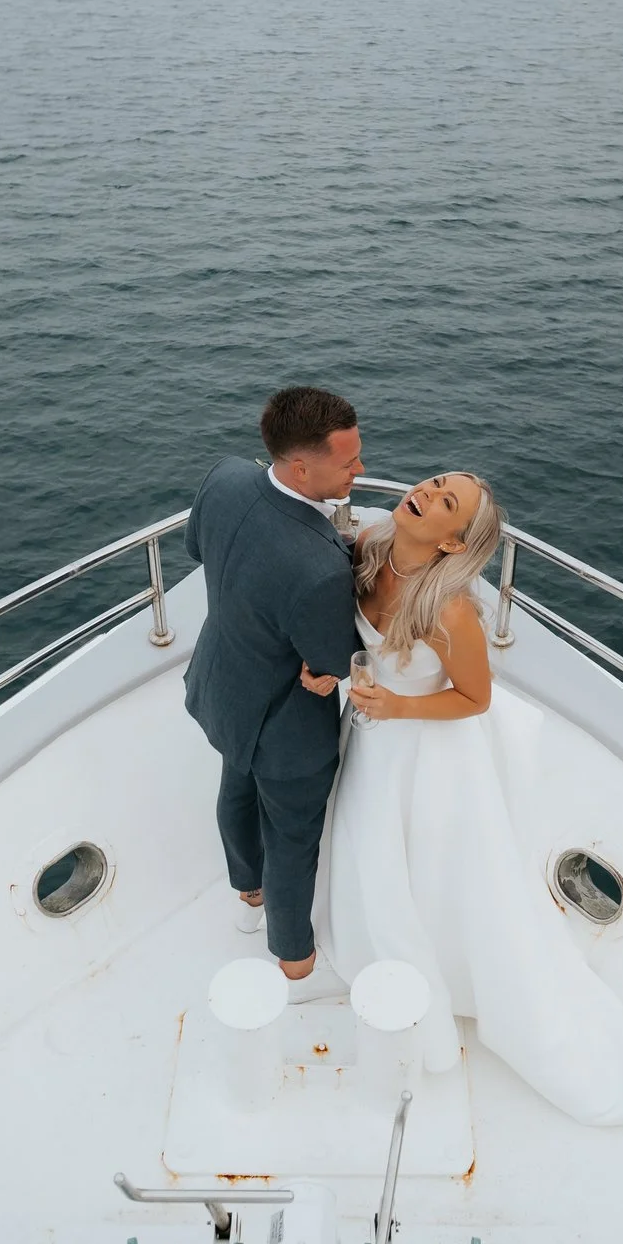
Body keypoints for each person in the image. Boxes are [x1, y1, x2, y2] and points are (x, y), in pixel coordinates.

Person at [320, 471, 623, 1127]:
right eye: (432, 483)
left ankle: (445, 976)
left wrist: (397, 703)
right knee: (369, 847)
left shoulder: (449, 609)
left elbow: (474, 697)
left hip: (425, 747)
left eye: (446, 502)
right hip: (374, 738)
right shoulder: (370, 540)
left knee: (426, 868)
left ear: (454, 539)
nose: (426, 495)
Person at [182, 387, 365, 983]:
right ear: (301, 466)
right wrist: (332, 664)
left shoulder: (226, 478)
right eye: (349, 462)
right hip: (284, 730)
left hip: (219, 684)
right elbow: (335, 659)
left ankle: (248, 890)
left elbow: (196, 550)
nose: (361, 469)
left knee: (235, 785)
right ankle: (294, 956)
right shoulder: (318, 570)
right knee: (292, 837)